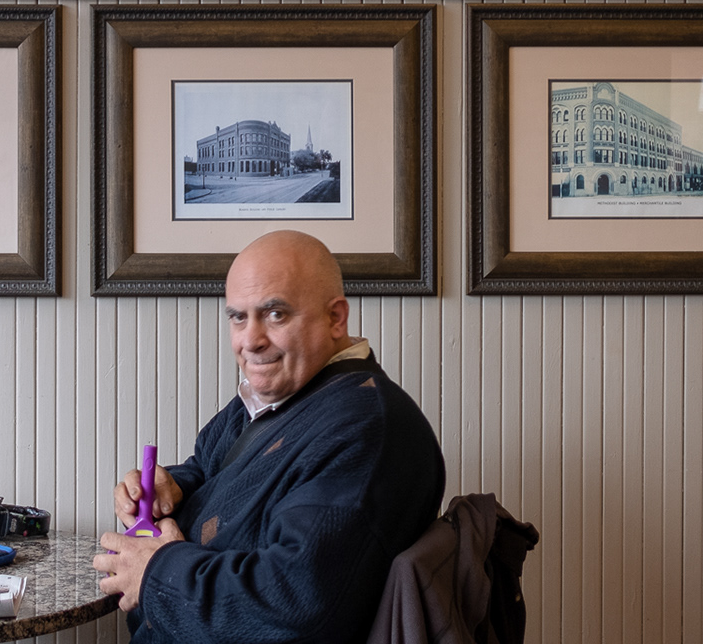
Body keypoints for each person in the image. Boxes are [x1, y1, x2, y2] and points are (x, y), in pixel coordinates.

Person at [93, 230, 444, 643]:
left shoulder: (367, 431)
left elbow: (293, 603)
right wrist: (171, 488)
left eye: (275, 314)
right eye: (238, 317)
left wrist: (157, 571)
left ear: (336, 318)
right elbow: (209, 467)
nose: (250, 341)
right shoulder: (280, 394)